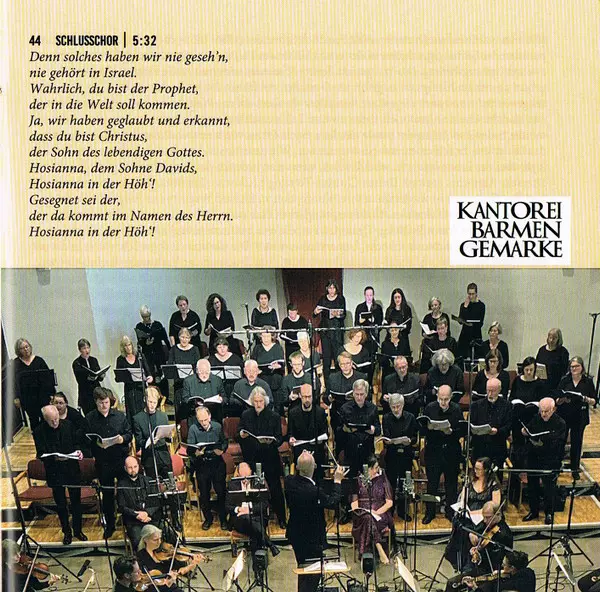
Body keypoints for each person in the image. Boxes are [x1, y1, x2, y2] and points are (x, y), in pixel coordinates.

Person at [285, 450, 345, 592]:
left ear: (297, 467)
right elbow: (332, 501)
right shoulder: (314, 492)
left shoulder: (289, 482)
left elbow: (299, 473)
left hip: (296, 534)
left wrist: (305, 460)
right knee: (313, 573)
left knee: (303, 568)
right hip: (312, 538)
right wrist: (337, 481)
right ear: (314, 467)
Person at [33, 405, 86, 545]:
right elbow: (40, 453)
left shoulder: (68, 425)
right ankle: (66, 532)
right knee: (61, 505)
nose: (55, 422)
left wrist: (79, 451)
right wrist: (54, 458)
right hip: (55, 472)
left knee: (76, 502)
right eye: (51, 420)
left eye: (56, 418)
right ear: (45, 419)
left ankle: (78, 530)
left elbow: (76, 442)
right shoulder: (39, 431)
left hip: (71, 470)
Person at [86, 387, 133, 538]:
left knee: (125, 491)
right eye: (101, 403)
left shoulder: (119, 416)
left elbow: (129, 434)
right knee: (107, 495)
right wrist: (95, 445)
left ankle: (129, 522)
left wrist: (122, 439)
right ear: (96, 402)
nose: (104, 405)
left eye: (106, 402)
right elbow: (86, 439)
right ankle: (110, 525)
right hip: (103, 462)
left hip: (119, 459)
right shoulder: (90, 418)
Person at [237, 387, 287, 527]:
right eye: (256, 401)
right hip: (252, 457)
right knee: (254, 488)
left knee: (275, 488)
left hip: (269, 457)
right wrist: (241, 434)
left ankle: (281, 518)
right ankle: (256, 518)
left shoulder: (274, 416)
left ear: (265, 401)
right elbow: (239, 432)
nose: (258, 404)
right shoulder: (246, 415)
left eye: (260, 401)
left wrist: (272, 441)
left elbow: (279, 438)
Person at [445, 457, 501, 571]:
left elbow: (495, 505)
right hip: (469, 515)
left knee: (473, 530)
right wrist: (464, 509)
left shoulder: (493, 484)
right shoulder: (470, 482)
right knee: (460, 525)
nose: (475, 471)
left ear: (486, 470)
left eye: (478, 469)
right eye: (475, 468)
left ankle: (472, 563)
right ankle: (461, 561)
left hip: (484, 516)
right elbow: (463, 499)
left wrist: (478, 512)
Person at [444, 502, 513, 592]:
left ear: (498, 514)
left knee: (453, 584)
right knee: (451, 582)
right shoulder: (488, 524)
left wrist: (479, 554)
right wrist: (471, 534)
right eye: (483, 517)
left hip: (492, 573)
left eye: (488, 517)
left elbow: (496, 560)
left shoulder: (504, 534)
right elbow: (475, 529)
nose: (484, 520)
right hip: (480, 567)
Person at [507, 356, 548, 503]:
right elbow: (512, 398)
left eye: (531, 370)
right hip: (518, 420)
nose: (529, 372)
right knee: (518, 451)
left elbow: (543, 402)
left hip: (533, 420)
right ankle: (514, 487)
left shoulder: (540, 384)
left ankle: (529, 487)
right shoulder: (517, 381)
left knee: (530, 451)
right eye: (526, 370)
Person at [421, 385, 463, 524]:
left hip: (451, 451)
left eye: (446, 399)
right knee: (432, 484)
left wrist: (451, 432)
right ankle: (430, 513)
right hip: (434, 451)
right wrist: (429, 428)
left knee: (451, 484)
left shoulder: (456, 409)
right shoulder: (430, 408)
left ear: (451, 397)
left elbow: (461, 431)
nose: (443, 402)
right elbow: (422, 430)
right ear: (437, 397)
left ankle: (450, 512)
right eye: (440, 399)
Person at [522, 397, 566, 524]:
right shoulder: (536, 418)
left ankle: (549, 513)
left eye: (546, 411)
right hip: (534, 457)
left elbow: (558, 442)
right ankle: (533, 511)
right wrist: (525, 431)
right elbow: (529, 429)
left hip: (550, 459)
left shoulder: (560, 423)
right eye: (541, 411)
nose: (543, 414)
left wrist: (543, 441)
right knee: (532, 485)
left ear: (553, 409)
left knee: (549, 488)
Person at [227, 462, 280, 566]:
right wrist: (239, 509)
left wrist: (249, 509)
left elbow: (264, 504)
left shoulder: (258, 483)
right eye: (243, 477)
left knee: (254, 531)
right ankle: (268, 545)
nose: (245, 480)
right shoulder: (232, 485)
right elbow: (227, 506)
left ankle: (257, 567)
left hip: (256, 517)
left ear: (251, 473)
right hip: (240, 521)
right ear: (238, 474)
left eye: (248, 477)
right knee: (248, 519)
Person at [187, 406, 228, 530]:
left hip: (217, 463)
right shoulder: (193, 429)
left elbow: (224, 442)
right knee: (204, 494)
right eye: (201, 421)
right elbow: (190, 449)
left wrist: (222, 450)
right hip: (202, 464)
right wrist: (196, 453)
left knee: (221, 492)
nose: (204, 423)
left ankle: (223, 519)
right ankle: (208, 519)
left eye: (205, 420)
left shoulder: (217, 426)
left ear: (209, 417)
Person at [556, 356, 597, 475]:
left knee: (576, 442)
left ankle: (575, 468)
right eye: (572, 367)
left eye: (576, 366)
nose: (574, 369)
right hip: (565, 414)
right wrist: (562, 399)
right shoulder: (565, 380)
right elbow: (557, 399)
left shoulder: (587, 381)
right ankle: (557, 466)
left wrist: (586, 399)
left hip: (579, 416)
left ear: (582, 367)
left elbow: (594, 400)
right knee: (561, 441)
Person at [351, 455, 395, 564]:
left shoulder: (383, 480)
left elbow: (389, 502)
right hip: (362, 514)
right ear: (366, 468)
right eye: (373, 468)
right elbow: (354, 503)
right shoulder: (358, 481)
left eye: (376, 468)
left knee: (369, 519)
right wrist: (359, 511)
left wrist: (376, 512)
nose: (375, 470)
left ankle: (366, 553)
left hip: (380, 515)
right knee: (367, 518)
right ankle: (379, 548)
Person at [381, 393, 418, 520]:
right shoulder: (386, 418)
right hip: (392, 454)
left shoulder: (410, 417)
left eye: (398, 406)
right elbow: (386, 436)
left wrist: (410, 441)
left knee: (404, 483)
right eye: (393, 407)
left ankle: (402, 511)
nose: (396, 409)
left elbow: (414, 436)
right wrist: (389, 441)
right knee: (390, 483)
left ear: (402, 405)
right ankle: (390, 510)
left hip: (406, 454)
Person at [137, 524, 205, 592]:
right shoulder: (140, 556)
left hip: (170, 588)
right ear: (145, 540)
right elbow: (143, 582)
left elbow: (180, 571)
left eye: (160, 538)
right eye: (155, 540)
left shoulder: (165, 553)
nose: (159, 542)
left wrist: (193, 563)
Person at [337, 379, 380, 478]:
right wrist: (344, 429)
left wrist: (373, 430)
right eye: (357, 394)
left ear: (366, 394)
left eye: (362, 394)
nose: (359, 397)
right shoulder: (345, 408)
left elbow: (378, 430)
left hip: (367, 451)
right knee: (350, 480)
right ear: (353, 393)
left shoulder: (373, 408)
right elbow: (338, 432)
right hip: (350, 451)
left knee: (368, 479)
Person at [117, 456, 161, 549]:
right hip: (134, 521)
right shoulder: (121, 484)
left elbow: (156, 501)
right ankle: (143, 557)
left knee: (166, 533)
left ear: (138, 466)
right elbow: (121, 506)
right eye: (130, 467)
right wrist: (136, 515)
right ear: (125, 468)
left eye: (135, 467)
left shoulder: (148, 480)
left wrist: (147, 513)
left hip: (150, 517)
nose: (133, 470)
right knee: (138, 540)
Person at [11, 338, 55, 430]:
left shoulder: (39, 360)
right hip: (27, 398)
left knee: (46, 418)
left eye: (27, 347)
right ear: (18, 351)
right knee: (33, 420)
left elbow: (48, 378)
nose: (26, 349)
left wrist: (52, 394)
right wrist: (16, 397)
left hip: (42, 395)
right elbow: (13, 382)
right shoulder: (16, 364)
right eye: (22, 348)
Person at [470, 378, 512, 473]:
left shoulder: (507, 406)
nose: (490, 394)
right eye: (488, 390)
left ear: (499, 390)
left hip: (497, 447)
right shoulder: (476, 405)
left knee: (496, 476)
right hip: (480, 446)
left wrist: (497, 431)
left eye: (493, 391)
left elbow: (508, 426)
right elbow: (471, 424)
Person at [132, 386, 173, 479]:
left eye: (155, 402)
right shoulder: (138, 418)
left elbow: (167, 438)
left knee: (169, 482)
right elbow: (139, 441)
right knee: (152, 484)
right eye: (150, 402)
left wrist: (169, 436)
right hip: (149, 458)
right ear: (144, 399)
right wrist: (149, 442)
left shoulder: (163, 416)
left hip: (164, 456)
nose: (152, 405)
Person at [288, 384, 328, 477]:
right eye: (304, 397)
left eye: (309, 397)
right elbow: (290, 433)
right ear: (300, 396)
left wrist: (321, 439)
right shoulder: (293, 413)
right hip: (301, 448)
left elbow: (325, 433)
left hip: (316, 447)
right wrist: (291, 438)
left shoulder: (320, 412)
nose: (307, 400)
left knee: (319, 457)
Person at [326, 351, 368, 440]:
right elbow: (325, 398)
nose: (345, 366)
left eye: (348, 363)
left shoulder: (361, 377)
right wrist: (329, 398)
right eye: (342, 364)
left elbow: (369, 397)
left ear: (352, 363)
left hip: (357, 413)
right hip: (339, 414)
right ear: (339, 365)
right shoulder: (333, 378)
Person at [116, 335, 153, 427]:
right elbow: (118, 377)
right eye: (126, 346)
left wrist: (149, 377)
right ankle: (133, 430)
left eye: (129, 345)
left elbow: (148, 372)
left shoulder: (140, 356)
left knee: (142, 408)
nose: (128, 347)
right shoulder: (120, 359)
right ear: (123, 348)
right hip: (129, 389)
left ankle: (143, 427)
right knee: (131, 410)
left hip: (140, 388)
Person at [313, 279, 346, 380]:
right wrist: (316, 311)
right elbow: (314, 314)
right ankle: (327, 384)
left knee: (338, 358)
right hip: (326, 332)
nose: (331, 290)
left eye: (333, 288)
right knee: (326, 359)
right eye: (330, 288)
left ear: (336, 289)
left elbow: (344, 315)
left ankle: (339, 382)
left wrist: (337, 314)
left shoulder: (340, 299)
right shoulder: (323, 299)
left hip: (337, 332)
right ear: (327, 289)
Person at [167, 327, 201, 422]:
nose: (184, 339)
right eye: (182, 337)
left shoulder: (195, 349)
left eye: (187, 337)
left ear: (190, 338)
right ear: (179, 337)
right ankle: (179, 425)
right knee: (179, 407)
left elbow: (198, 365)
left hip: (192, 383)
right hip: (179, 383)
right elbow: (170, 365)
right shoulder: (174, 349)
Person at [134, 305, 170, 390]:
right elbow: (140, 342)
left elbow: (165, 339)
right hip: (148, 354)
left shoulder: (157, 324)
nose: (146, 319)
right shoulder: (139, 326)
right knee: (150, 374)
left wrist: (170, 351)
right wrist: (145, 343)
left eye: (147, 316)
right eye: (144, 317)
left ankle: (165, 394)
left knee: (162, 375)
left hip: (159, 352)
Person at [182, 359, 225, 423]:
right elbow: (185, 400)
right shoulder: (188, 381)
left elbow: (225, 398)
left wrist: (221, 399)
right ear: (197, 371)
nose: (204, 375)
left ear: (210, 371)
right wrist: (194, 402)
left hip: (213, 415)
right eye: (201, 373)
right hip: (195, 416)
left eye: (207, 373)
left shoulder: (217, 380)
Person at [72, 338, 107, 414]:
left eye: (88, 347)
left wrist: (101, 375)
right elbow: (79, 380)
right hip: (85, 393)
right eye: (84, 348)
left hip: (96, 391)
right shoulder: (77, 363)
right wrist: (88, 378)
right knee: (89, 414)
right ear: (80, 350)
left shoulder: (94, 360)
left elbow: (98, 376)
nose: (87, 350)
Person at [251, 328, 285, 398]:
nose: (266, 339)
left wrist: (277, 366)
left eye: (268, 336)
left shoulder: (278, 348)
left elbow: (282, 364)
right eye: (264, 336)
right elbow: (252, 363)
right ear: (260, 337)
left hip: (275, 381)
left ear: (272, 336)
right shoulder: (257, 348)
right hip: (261, 380)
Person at [456, 282, 486, 359]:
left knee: (477, 356)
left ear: (476, 294)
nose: (471, 296)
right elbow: (460, 321)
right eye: (469, 294)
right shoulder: (463, 305)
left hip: (476, 334)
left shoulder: (481, 305)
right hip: (465, 334)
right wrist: (465, 307)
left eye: (473, 294)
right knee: (462, 356)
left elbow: (481, 323)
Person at [354, 286, 384, 357]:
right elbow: (356, 323)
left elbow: (380, 324)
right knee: (363, 356)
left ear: (373, 295)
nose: (369, 297)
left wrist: (373, 321)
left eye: (370, 295)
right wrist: (360, 321)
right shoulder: (360, 307)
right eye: (367, 295)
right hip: (363, 337)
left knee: (373, 356)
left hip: (373, 336)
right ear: (364, 295)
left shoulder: (378, 308)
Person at [384, 288, 412, 356]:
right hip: (391, 339)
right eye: (395, 297)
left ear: (402, 298)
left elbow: (409, 326)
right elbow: (387, 325)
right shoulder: (389, 310)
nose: (397, 299)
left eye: (399, 297)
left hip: (403, 339)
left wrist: (401, 328)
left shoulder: (406, 309)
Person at [280, 303, 309, 368]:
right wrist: (287, 339)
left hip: (301, 346)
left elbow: (308, 333)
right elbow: (281, 334)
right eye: (290, 313)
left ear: (297, 311)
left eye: (293, 313)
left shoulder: (302, 320)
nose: (292, 315)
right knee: (291, 364)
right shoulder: (285, 321)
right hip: (290, 346)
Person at [297, 330, 325, 395]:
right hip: (303, 387)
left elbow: (320, 372)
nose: (303, 344)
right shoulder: (297, 356)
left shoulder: (315, 354)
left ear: (309, 341)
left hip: (315, 385)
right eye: (301, 341)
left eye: (305, 341)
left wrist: (323, 385)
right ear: (298, 343)